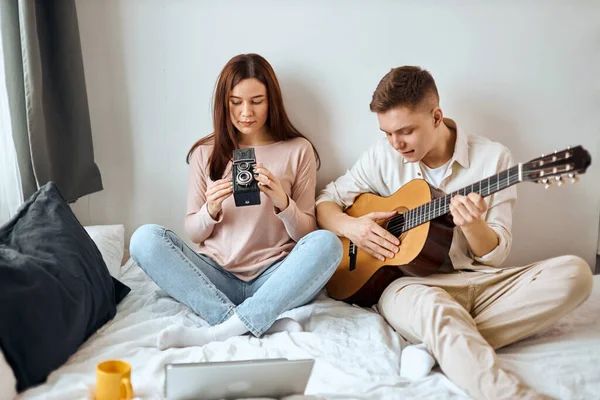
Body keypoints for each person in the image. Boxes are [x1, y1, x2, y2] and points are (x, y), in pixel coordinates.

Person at [315, 66, 592, 400]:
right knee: (434, 308)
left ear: (436, 116)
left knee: (575, 274)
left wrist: (473, 225)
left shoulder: (493, 158)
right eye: (387, 133)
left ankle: (436, 347)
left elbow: (495, 254)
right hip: (410, 286)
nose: (395, 143)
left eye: (405, 131)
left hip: (482, 282)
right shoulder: (382, 156)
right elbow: (326, 201)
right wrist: (353, 227)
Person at [130, 53, 342, 350]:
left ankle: (222, 329)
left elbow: (308, 235)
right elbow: (194, 232)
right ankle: (251, 321)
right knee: (144, 239)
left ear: (272, 101)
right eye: (236, 101)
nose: (246, 112)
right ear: (224, 102)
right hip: (217, 277)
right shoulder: (206, 152)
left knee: (328, 243)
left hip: (274, 277)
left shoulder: (298, 150)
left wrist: (283, 203)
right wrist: (210, 210)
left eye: (257, 101)